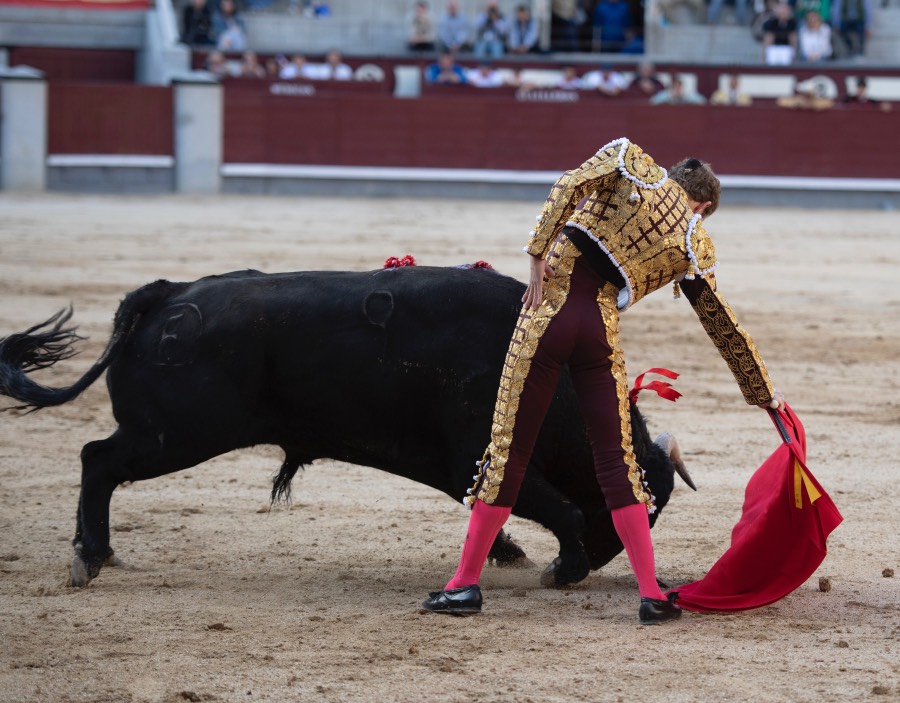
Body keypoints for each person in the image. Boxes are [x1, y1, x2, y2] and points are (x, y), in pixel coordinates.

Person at [421, 138, 783, 624]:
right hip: (599, 333)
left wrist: (535, 253)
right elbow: (721, 323)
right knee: (618, 461)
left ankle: (464, 585)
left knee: (510, 452)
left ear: (676, 179)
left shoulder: (629, 159)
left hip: (546, 318)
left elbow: (569, 184)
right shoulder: (695, 241)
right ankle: (652, 594)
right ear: (705, 205)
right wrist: (763, 394)